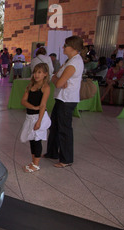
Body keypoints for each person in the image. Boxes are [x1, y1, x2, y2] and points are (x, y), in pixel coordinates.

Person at [45, 35, 84, 168]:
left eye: (66, 45)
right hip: (61, 98)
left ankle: (66, 159)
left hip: (67, 100)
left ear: (73, 47)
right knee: (54, 125)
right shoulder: (69, 61)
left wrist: (57, 79)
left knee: (64, 129)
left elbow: (58, 82)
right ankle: (52, 152)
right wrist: (56, 79)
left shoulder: (74, 63)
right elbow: (55, 77)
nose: (63, 47)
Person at [20, 63, 51, 173]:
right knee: (32, 140)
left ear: (45, 74)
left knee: (37, 140)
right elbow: (23, 101)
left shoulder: (45, 87)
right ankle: (33, 162)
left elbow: (43, 105)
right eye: (35, 72)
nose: (36, 75)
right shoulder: (30, 86)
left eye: (40, 72)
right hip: (30, 116)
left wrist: (39, 121)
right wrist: (32, 107)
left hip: (39, 117)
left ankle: (36, 164)